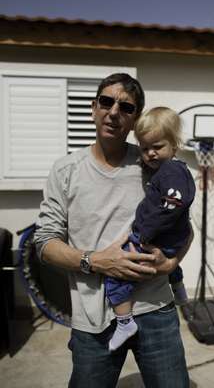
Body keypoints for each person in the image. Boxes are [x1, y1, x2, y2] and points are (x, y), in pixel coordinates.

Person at [34, 73, 192, 388]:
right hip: (93, 319)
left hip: (155, 308)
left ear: (135, 119)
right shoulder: (66, 171)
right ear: (94, 107)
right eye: (106, 102)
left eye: (126, 107)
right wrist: (95, 261)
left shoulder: (152, 164)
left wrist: (171, 264)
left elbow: (184, 227)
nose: (114, 112)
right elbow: (45, 242)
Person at [106, 106, 196, 351]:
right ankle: (179, 290)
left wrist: (146, 231)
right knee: (169, 264)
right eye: (145, 149)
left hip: (155, 235)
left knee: (115, 274)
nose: (150, 154)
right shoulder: (170, 169)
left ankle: (125, 323)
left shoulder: (172, 172)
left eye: (157, 147)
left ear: (174, 144)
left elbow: (173, 204)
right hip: (168, 238)